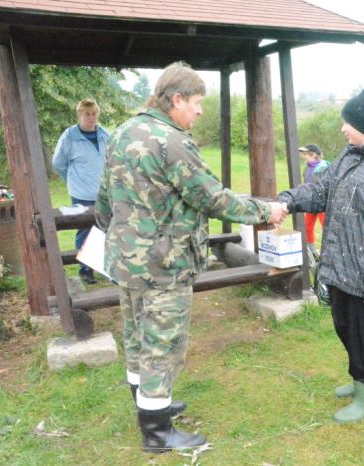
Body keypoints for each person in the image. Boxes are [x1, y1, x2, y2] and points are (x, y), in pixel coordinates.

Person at [94, 62, 287, 452]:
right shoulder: (173, 141)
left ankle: (150, 405)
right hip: (164, 266)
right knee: (162, 345)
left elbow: (103, 199)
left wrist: (122, 235)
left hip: (126, 262)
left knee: (136, 337)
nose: (199, 111)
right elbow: (212, 197)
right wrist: (267, 211)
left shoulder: (123, 132)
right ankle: (157, 432)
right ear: (176, 99)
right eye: (196, 102)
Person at [278, 83, 364, 424]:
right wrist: (287, 200)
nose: (342, 128)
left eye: (346, 123)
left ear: (362, 124)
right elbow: (321, 192)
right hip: (339, 267)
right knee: (346, 329)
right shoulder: (349, 156)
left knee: (362, 334)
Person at [52, 98, 110, 285]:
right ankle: (86, 270)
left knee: (105, 229)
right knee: (85, 229)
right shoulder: (69, 136)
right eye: (87, 114)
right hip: (81, 194)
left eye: (94, 113)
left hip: (104, 194)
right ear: (79, 115)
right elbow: (58, 163)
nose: (91, 117)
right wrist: (73, 180)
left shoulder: (104, 135)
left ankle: (105, 266)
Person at [298, 143, 330, 248]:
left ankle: (328, 251)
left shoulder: (324, 168)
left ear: (313, 155)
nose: (303, 156)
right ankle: (310, 251)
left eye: (306, 154)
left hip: (323, 204)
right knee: (307, 227)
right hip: (310, 202)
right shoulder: (305, 168)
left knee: (327, 228)